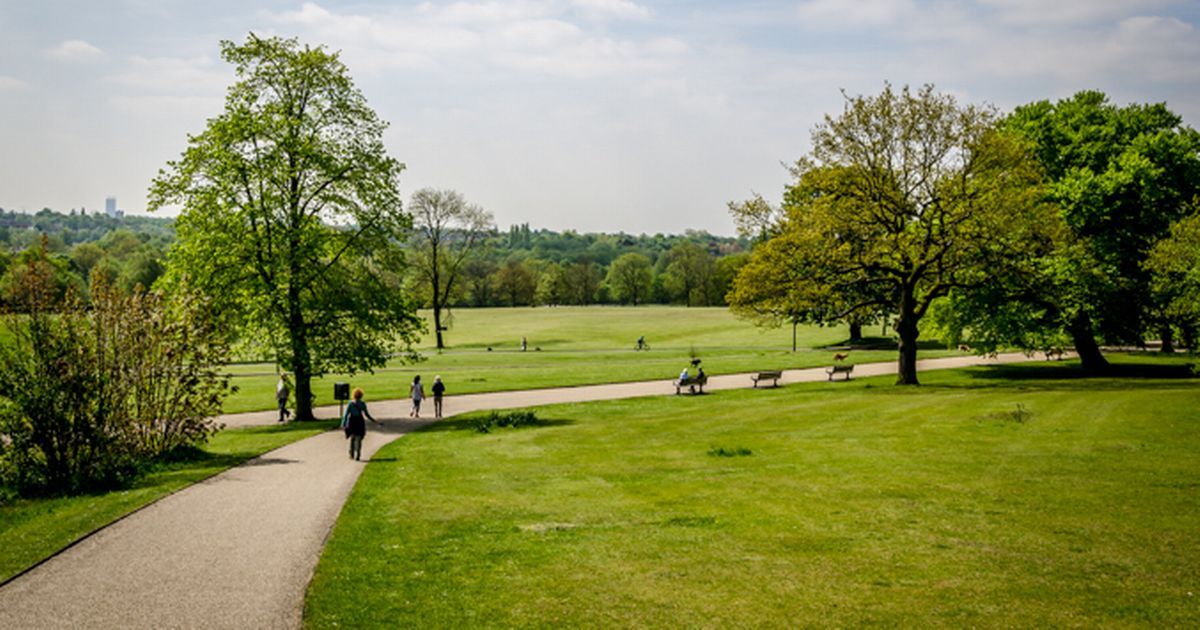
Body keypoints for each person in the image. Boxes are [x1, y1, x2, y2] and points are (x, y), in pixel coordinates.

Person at [341, 387, 380, 461]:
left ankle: (351, 453)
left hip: (352, 421)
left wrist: (343, 423)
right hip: (359, 421)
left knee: (352, 438)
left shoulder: (350, 404)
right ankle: (358, 454)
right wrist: (373, 420)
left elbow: (346, 415)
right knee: (359, 438)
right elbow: (367, 414)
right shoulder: (362, 404)